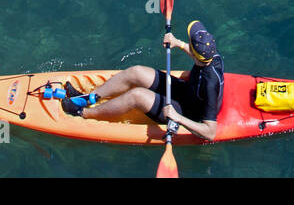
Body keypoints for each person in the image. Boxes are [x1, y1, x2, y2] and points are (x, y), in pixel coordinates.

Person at [57, 20, 222, 142]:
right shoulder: (212, 55)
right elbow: (198, 57)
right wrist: (178, 43)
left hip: (189, 112)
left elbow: (210, 132)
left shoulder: (209, 84)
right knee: (136, 72)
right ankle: (87, 98)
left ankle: (82, 113)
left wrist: (177, 118)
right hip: (188, 91)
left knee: (136, 96)